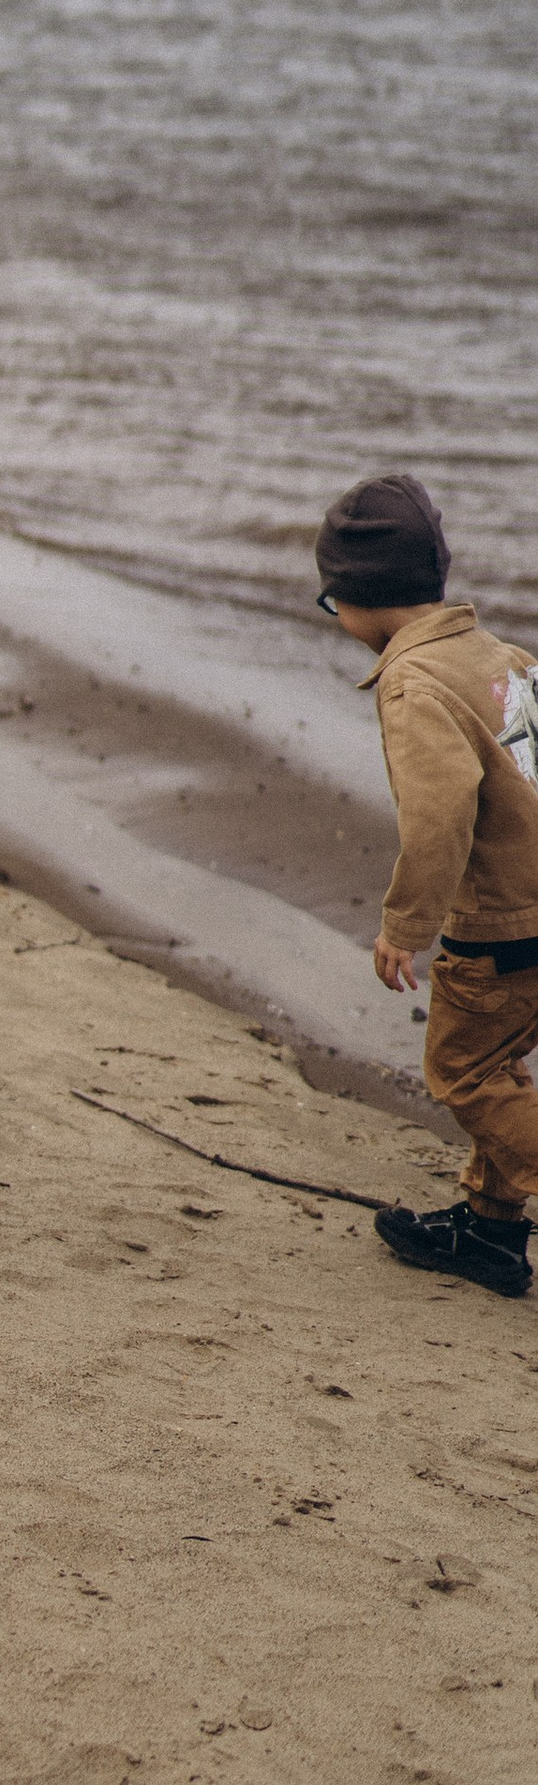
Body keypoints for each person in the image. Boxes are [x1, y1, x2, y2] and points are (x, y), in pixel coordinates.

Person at [317, 472, 538, 1300]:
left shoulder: (414, 686)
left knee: (464, 1073)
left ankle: (495, 1219)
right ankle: (489, 1232)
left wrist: (405, 926)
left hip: (500, 930)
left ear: (357, 599)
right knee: (502, 1063)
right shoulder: (504, 659)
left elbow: (440, 817)